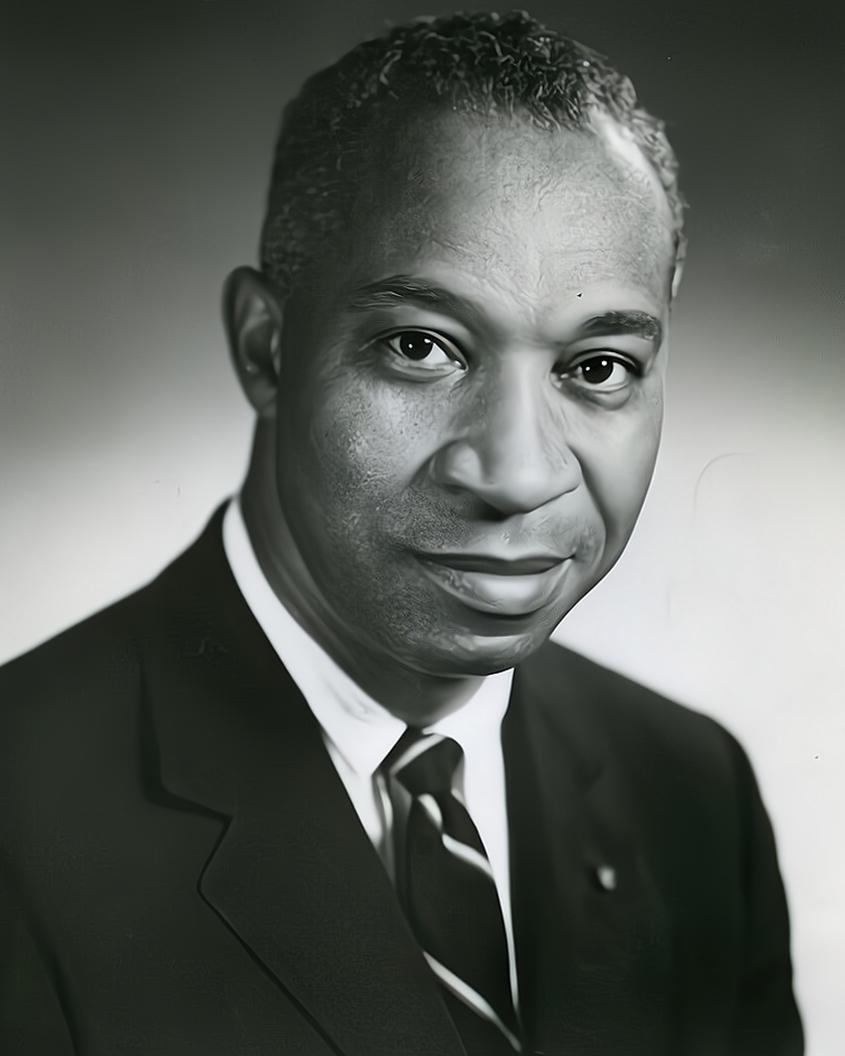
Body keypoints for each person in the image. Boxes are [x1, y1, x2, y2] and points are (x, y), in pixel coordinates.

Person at [0, 11, 803, 1055]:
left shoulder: (691, 792)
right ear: (265, 347)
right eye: (421, 347)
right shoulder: (19, 821)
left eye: (595, 367)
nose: (516, 474)